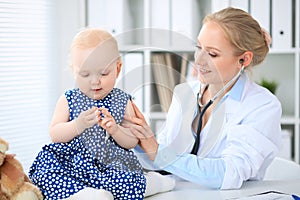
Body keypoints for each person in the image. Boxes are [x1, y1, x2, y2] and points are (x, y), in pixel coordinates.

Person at [124, 7, 282, 190]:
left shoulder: (262, 105)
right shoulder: (184, 92)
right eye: (199, 47)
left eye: (212, 54)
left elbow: (229, 174)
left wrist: (160, 153)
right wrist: (137, 140)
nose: (198, 61)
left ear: (244, 59)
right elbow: (163, 162)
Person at [28, 28, 174, 200]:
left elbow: (132, 141)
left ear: (118, 69)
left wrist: (116, 131)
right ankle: (85, 195)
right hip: (72, 163)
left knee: (126, 183)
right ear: (74, 71)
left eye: (103, 73)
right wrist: (77, 125)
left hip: (110, 163)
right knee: (45, 175)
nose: (95, 81)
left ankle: (153, 183)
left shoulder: (123, 100)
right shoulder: (68, 99)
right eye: (85, 74)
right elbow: (55, 134)